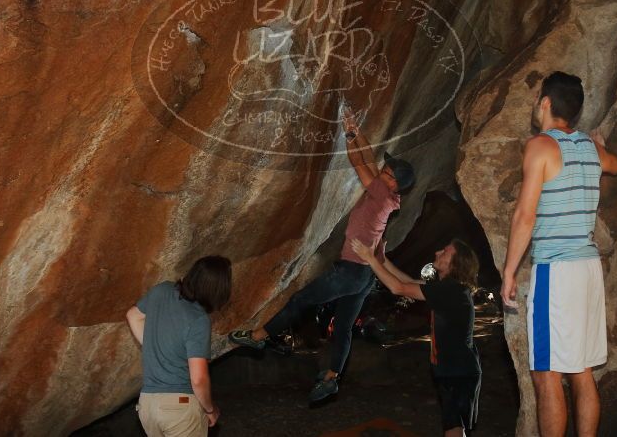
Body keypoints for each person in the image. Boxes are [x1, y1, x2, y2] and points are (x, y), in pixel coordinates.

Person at [228, 111, 416, 403]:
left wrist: (350, 137)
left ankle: (258, 337)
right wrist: (355, 130)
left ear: (393, 183)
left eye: (388, 171)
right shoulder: (390, 198)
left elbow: (359, 163)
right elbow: (369, 158)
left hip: (351, 272)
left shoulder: (381, 191)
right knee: (342, 328)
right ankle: (332, 377)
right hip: (364, 277)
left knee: (301, 300)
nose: (382, 170)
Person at [500, 72, 617, 437]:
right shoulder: (588, 147)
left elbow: (525, 214)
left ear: (545, 102)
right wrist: (599, 147)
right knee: (581, 371)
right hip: (588, 269)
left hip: (557, 272)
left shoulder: (540, 146)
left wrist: (509, 271)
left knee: (546, 373)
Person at [352, 238, 481, 437]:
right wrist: (382, 259)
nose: (438, 252)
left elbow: (398, 288)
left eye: (445, 251)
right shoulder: (449, 288)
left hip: (458, 371)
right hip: (456, 370)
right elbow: (408, 283)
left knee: (454, 429)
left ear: (454, 263)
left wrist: (369, 258)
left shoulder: (450, 290)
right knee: (454, 426)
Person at [126, 256, 232, 437]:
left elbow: (132, 315)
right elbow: (198, 379)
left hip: (147, 404)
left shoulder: (161, 290)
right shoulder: (199, 319)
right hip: (179, 408)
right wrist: (209, 409)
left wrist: (159, 347)